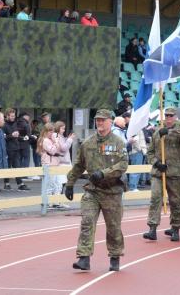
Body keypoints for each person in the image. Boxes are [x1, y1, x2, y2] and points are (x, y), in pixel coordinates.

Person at [65, 109, 128, 272]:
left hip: (112, 191)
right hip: (92, 191)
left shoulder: (119, 142)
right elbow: (78, 165)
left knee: (113, 227)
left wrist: (103, 173)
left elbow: (122, 165)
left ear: (110, 121)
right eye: (97, 120)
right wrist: (70, 183)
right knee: (87, 221)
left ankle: (115, 257)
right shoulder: (88, 143)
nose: (99, 123)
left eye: (102, 120)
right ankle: (84, 258)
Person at [143, 107, 180, 242]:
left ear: (175, 117)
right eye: (166, 116)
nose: (168, 118)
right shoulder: (157, 132)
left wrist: (169, 131)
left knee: (175, 201)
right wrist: (156, 163)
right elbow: (150, 152)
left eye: (171, 116)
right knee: (155, 198)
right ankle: (152, 228)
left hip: (174, 172)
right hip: (159, 172)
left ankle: (175, 228)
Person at [3, 108, 29, 191]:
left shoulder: (15, 124)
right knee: (7, 167)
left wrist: (23, 138)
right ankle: (6, 184)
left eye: (14, 116)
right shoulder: (3, 125)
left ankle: (20, 184)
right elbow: (3, 138)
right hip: (8, 149)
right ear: (7, 116)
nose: (13, 117)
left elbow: (16, 136)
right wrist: (12, 135)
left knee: (17, 167)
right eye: (11, 116)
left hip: (16, 148)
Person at [38, 123, 63, 206]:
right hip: (48, 164)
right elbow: (52, 151)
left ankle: (55, 201)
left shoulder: (51, 140)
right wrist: (55, 142)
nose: (51, 133)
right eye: (50, 132)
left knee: (57, 184)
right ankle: (47, 202)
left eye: (52, 131)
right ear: (45, 132)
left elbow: (59, 149)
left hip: (55, 163)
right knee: (49, 184)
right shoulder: (44, 140)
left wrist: (56, 141)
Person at [54, 121, 76, 205]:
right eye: (62, 128)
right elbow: (63, 148)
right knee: (60, 183)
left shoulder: (60, 136)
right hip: (62, 162)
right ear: (58, 128)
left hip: (64, 162)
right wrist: (70, 140)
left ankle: (59, 202)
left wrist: (68, 139)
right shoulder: (57, 137)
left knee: (62, 183)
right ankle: (58, 202)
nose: (64, 130)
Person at [128, 124, 147, 192]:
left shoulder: (136, 127)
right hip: (137, 152)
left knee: (136, 169)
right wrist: (140, 150)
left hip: (138, 151)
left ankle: (133, 186)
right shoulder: (135, 128)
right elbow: (134, 140)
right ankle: (133, 187)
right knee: (136, 169)